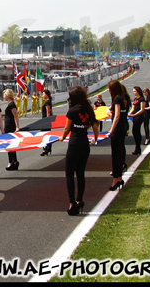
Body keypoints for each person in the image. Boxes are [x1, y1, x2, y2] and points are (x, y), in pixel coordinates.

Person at [58, 86, 99, 216]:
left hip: (74, 144)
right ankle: (79, 200)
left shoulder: (72, 111)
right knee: (80, 173)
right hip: (85, 144)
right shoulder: (88, 110)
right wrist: (95, 139)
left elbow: (66, 128)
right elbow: (95, 126)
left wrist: (62, 137)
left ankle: (72, 203)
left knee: (69, 173)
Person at [106, 79, 129, 191]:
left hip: (118, 128)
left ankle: (115, 180)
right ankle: (119, 178)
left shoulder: (117, 99)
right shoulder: (123, 98)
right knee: (119, 153)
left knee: (115, 155)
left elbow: (117, 116)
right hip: (124, 126)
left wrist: (111, 130)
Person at [3, 89, 20, 171]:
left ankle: (11, 162)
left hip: (10, 126)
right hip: (8, 125)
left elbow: (15, 116)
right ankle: (14, 161)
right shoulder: (10, 104)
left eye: (4, 95)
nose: (3, 96)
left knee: (10, 145)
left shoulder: (12, 105)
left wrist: (17, 127)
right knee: (10, 145)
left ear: (7, 95)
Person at [127, 86, 146, 155]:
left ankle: (138, 148)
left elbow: (142, 109)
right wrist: (129, 114)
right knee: (135, 132)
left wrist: (134, 115)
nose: (133, 92)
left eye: (134, 91)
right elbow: (133, 108)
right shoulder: (135, 99)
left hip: (139, 117)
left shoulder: (142, 99)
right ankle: (138, 148)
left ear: (138, 91)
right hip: (135, 117)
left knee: (136, 131)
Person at [40, 89, 54, 156]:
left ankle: (46, 149)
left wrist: (47, 121)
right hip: (45, 120)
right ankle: (47, 148)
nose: (42, 95)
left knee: (45, 135)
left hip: (45, 121)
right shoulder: (48, 101)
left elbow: (48, 112)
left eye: (43, 94)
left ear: (46, 94)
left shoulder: (48, 102)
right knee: (46, 134)